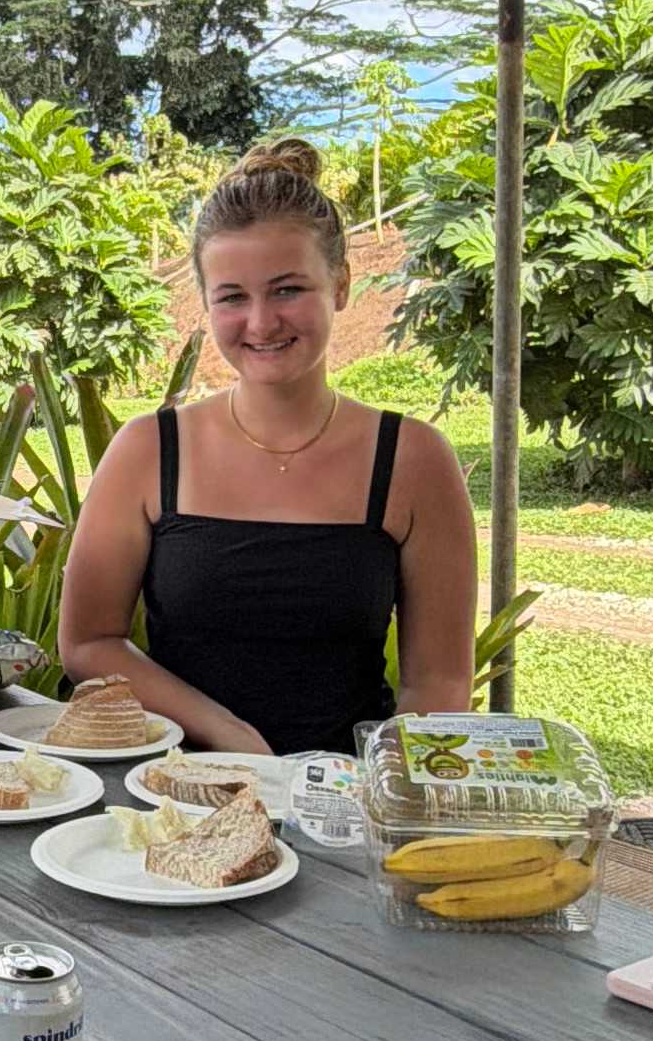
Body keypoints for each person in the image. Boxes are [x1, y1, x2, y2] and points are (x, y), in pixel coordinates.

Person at [57, 136, 478, 756]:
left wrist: (372, 798)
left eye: (287, 290)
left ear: (340, 285)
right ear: (205, 303)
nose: (260, 323)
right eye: (232, 297)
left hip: (343, 803)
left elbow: (438, 682)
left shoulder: (412, 459)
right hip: (176, 798)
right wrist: (223, 732)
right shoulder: (149, 450)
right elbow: (89, 642)